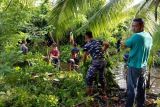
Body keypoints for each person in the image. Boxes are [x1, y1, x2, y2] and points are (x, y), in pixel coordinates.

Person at [123, 18, 152, 107]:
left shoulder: (137, 36)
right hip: (143, 66)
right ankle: (140, 104)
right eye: (132, 26)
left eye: (135, 26)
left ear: (142, 26)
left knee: (131, 89)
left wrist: (122, 42)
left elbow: (124, 45)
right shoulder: (149, 36)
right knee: (141, 88)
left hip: (134, 66)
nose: (133, 28)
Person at [83, 31, 109, 98]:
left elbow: (85, 56)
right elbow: (107, 44)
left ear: (86, 36)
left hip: (96, 62)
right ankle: (104, 92)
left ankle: (89, 95)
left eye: (85, 36)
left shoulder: (87, 45)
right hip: (103, 62)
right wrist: (103, 50)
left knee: (88, 78)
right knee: (101, 77)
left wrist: (83, 63)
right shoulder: (98, 41)